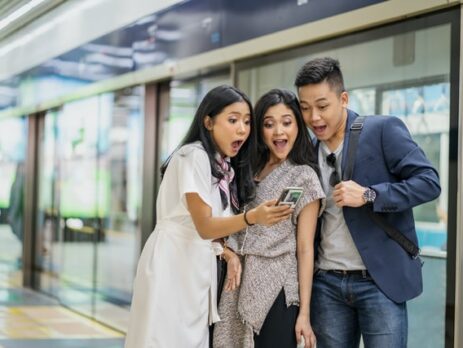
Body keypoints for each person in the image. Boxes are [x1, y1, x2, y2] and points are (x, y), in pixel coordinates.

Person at [124, 85, 292, 348]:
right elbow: (204, 226)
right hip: (172, 264)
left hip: (196, 267)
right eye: (233, 120)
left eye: (247, 122)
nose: (242, 129)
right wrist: (253, 217)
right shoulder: (194, 156)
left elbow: (202, 229)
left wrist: (226, 252)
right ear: (208, 121)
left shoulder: (222, 167)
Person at [294, 57, 441, 347]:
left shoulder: (381, 130)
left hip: (379, 283)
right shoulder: (306, 152)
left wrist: (370, 194)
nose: (313, 118)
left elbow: (429, 182)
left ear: (343, 99)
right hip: (326, 285)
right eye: (305, 107)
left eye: (322, 106)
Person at [213, 89, 325, 348]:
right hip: (236, 278)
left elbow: (305, 248)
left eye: (287, 122)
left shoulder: (303, 176)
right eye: (269, 124)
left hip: (277, 285)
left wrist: (305, 314)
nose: (278, 132)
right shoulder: (246, 167)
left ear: (298, 125)